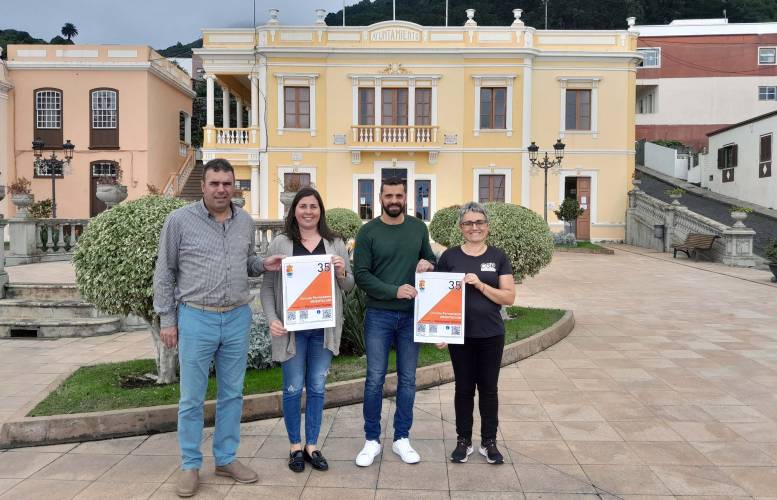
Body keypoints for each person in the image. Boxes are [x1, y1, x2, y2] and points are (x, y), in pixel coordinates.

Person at [153, 158, 283, 498]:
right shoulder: (179, 221)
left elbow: (246, 263)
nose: (221, 189)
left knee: (232, 394)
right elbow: (165, 272)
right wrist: (167, 319)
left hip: (237, 317)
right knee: (191, 398)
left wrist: (263, 264)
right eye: (215, 183)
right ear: (203, 186)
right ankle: (190, 465)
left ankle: (225, 459)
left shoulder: (245, 222)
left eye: (227, 183)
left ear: (233, 186)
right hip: (196, 317)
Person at [260, 187, 354, 473]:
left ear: (320, 211)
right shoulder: (280, 243)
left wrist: (342, 272)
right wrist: (272, 318)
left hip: (323, 330)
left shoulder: (335, 243)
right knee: (292, 388)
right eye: (303, 206)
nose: (308, 211)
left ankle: (312, 445)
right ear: (295, 211)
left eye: (314, 206)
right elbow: (267, 288)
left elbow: (348, 287)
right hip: (292, 331)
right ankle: (294, 446)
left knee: (316, 387)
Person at [353, 177, 436, 466]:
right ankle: (371, 440)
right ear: (380, 198)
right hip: (379, 315)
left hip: (412, 316)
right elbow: (361, 275)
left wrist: (429, 264)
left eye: (398, 196)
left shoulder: (418, 228)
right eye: (388, 196)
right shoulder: (368, 232)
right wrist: (394, 291)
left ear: (406, 197)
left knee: (408, 379)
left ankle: (402, 438)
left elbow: (430, 259)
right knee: (375, 378)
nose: (393, 201)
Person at [435, 202, 515, 465]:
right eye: (468, 223)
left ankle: (489, 442)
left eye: (479, 222)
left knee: (489, 390)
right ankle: (464, 440)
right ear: (461, 227)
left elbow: (509, 297)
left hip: (491, 334)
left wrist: (480, 285)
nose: (474, 227)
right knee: (464, 389)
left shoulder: (498, 256)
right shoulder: (449, 257)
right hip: (460, 336)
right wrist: (439, 331)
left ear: (487, 226)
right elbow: (438, 295)